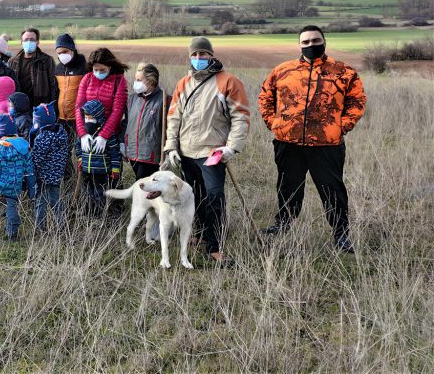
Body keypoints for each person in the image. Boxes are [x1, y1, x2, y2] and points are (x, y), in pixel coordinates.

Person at [258, 25, 366, 253]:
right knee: (288, 187)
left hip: (327, 144)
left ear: (324, 41)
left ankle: (341, 234)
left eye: (315, 40)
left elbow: (357, 102)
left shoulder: (343, 72)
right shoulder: (283, 71)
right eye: (305, 42)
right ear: (299, 45)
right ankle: (283, 224)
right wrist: (274, 124)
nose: (310, 45)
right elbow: (265, 96)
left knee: (332, 190)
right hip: (288, 143)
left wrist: (340, 127)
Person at [163, 37, 250, 267]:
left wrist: (232, 147)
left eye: (203, 54)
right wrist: (171, 146)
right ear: (189, 57)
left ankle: (214, 247)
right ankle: (200, 233)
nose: (199, 59)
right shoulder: (184, 83)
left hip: (212, 152)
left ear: (212, 55)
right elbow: (174, 117)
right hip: (185, 151)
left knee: (214, 197)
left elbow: (240, 117)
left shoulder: (229, 82)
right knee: (192, 197)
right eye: (195, 55)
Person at [74, 48, 128, 170]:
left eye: (102, 70)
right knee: (89, 172)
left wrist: (104, 136)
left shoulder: (119, 81)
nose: (98, 73)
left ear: (110, 66)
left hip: (111, 135)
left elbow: (117, 111)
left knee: (111, 171)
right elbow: (79, 107)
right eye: (95, 70)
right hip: (89, 131)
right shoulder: (87, 79)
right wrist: (82, 133)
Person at [77, 100, 123, 217]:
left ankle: (99, 215)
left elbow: (114, 152)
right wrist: (80, 158)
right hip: (86, 169)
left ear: (98, 117)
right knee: (87, 191)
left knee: (99, 193)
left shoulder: (107, 133)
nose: (88, 120)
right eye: (86, 117)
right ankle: (87, 213)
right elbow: (77, 146)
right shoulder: (83, 132)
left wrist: (115, 169)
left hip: (101, 171)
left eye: (91, 117)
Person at [124, 62, 168, 181]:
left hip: (150, 155)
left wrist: (168, 153)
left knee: (142, 185)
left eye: (139, 80)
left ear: (151, 81)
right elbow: (126, 122)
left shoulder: (163, 99)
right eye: (135, 79)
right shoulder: (133, 98)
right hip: (132, 152)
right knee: (141, 186)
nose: (136, 83)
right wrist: (123, 143)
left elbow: (169, 129)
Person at [30, 102, 69, 231]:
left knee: (41, 201)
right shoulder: (62, 133)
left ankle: (39, 227)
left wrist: (32, 170)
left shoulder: (42, 138)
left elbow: (37, 159)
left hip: (44, 176)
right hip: (57, 175)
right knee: (56, 200)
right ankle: (61, 224)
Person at [8, 28, 58, 107]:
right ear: (21, 42)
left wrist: (53, 106)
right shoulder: (12, 62)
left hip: (40, 105)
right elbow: (9, 85)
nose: (29, 42)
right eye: (26, 40)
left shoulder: (47, 60)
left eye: (32, 40)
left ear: (37, 42)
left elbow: (53, 85)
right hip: (19, 105)